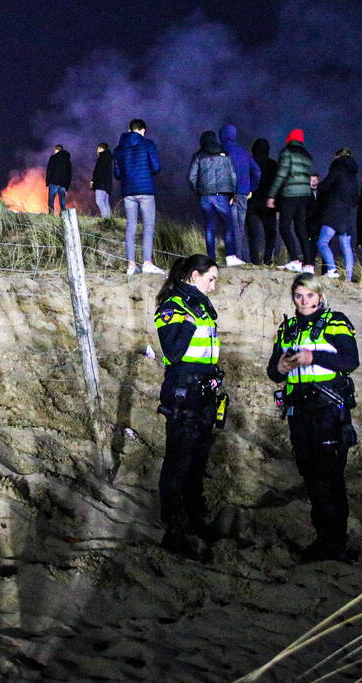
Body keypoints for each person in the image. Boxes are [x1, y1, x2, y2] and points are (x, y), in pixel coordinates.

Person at [267, 273, 359, 562]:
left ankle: (336, 542)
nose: (304, 301)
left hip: (328, 411)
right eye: (298, 296)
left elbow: (350, 360)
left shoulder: (336, 321)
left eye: (309, 295)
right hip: (299, 412)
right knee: (310, 476)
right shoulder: (287, 328)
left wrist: (313, 357)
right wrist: (280, 366)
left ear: (319, 296)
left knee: (329, 477)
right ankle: (324, 539)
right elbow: (272, 371)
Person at [154, 254, 224, 559]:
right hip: (184, 390)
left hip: (204, 389)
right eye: (211, 278)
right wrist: (189, 323)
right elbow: (172, 349)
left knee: (198, 459)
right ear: (194, 276)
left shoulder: (201, 306)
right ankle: (175, 528)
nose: (214, 285)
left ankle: (195, 519)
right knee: (179, 459)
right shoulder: (173, 306)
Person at [114, 118, 164, 275]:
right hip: (146, 190)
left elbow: (117, 174)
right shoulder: (148, 144)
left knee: (131, 227)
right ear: (143, 130)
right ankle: (147, 263)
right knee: (148, 227)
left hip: (128, 191)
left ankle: (131, 266)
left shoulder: (118, 149)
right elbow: (156, 167)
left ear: (129, 130)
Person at [188, 131, 239, 265]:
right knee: (228, 225)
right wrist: (232, 193)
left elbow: (191, 176)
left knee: (210, 227)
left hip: (205, 196)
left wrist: (197, 190)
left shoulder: (198, 156)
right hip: (222, 195)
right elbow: (233, 175)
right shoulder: (225, 154)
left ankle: (211, 258)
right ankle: (230, 256)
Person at [267, 129, 315, 272]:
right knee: (301, 229)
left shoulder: (287, 152)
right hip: (304, 195)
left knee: (284, 227)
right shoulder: (307, 156)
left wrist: (271, 195)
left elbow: (281, 175)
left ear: (290, 138)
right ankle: (308, 265)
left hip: (290, 195)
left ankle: (295, 260)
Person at [219, 124, 260, 265]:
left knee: (232, 226)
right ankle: (245, 259)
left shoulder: (223, 151)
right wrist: (250, 188)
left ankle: (237, 258)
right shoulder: (244, 152)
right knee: (240, 227)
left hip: (230, 194)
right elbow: (257, 172)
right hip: (243, 193)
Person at [316, 148, 360, 280]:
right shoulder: (353, 176)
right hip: (347, 215)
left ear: (338, 157)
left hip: (333, 214)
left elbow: (324, 186)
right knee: (346, 246)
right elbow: (355, 199)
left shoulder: (337, 169)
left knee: (322, 242)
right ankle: (348, 277)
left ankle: (332, 269)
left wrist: (319, 188)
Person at [246, 138, 279, 265]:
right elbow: (278, 185)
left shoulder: (249, 162)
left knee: (253, 235)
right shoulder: (273, 164)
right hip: (268, 204)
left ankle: (254, 261)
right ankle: (268, 259)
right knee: (270, 234)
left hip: (251, 203)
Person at [303, 173, 322, 274]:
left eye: (316, 180)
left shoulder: (322, 193)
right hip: (309, 225)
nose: (314, 182)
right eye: (312, 180)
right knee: (310, 248)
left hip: (320, 225)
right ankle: (309, 267)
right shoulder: (305, 193)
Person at [45, 144, 71, 215]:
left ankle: (51, 215)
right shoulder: (67, 160)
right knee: (62, 202)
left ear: (56, 150)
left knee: (51, 200)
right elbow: (69, 174)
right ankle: (63, 216)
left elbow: (49, 170)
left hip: (53, 182)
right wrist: (67, 187)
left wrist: (47, 181)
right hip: (63, 184)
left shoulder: (53, 158)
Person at [90, 142, 113, 218]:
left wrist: (93, 180)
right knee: (105, 202)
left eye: (98, 149)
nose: (97, 150)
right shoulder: (109, 157)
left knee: (99, 201)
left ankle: (105, 219)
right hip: (107, 183)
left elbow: (98, 171)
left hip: (101, 183)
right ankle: (109, 220)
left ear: (101, 148)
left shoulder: (102, 158)